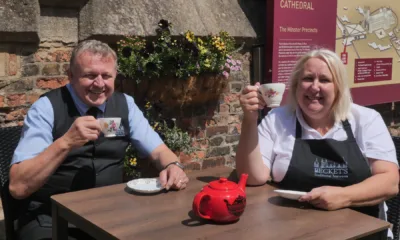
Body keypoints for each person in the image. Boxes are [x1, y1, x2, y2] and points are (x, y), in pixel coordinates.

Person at [9, 40, 189, 240]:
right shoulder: (46, 108)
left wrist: (173, 165)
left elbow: (158, 151)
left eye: (106, 76)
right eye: (90, 75)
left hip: (110, 213)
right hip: (50, 217)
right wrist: (65, 142)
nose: (100, 84)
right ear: (70, 76)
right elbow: (18, 187)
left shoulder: (125, 105)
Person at [236, 48, 399, 227]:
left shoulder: (366, 120)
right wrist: (250, 120)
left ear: (338, 88)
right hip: (291, 227)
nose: (314, 87)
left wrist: (344, 197)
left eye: (324, 80)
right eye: (307, 78)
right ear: (297, 85)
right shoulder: (277, 119)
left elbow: (389, 182)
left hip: (361, 231)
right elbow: (252, 177)